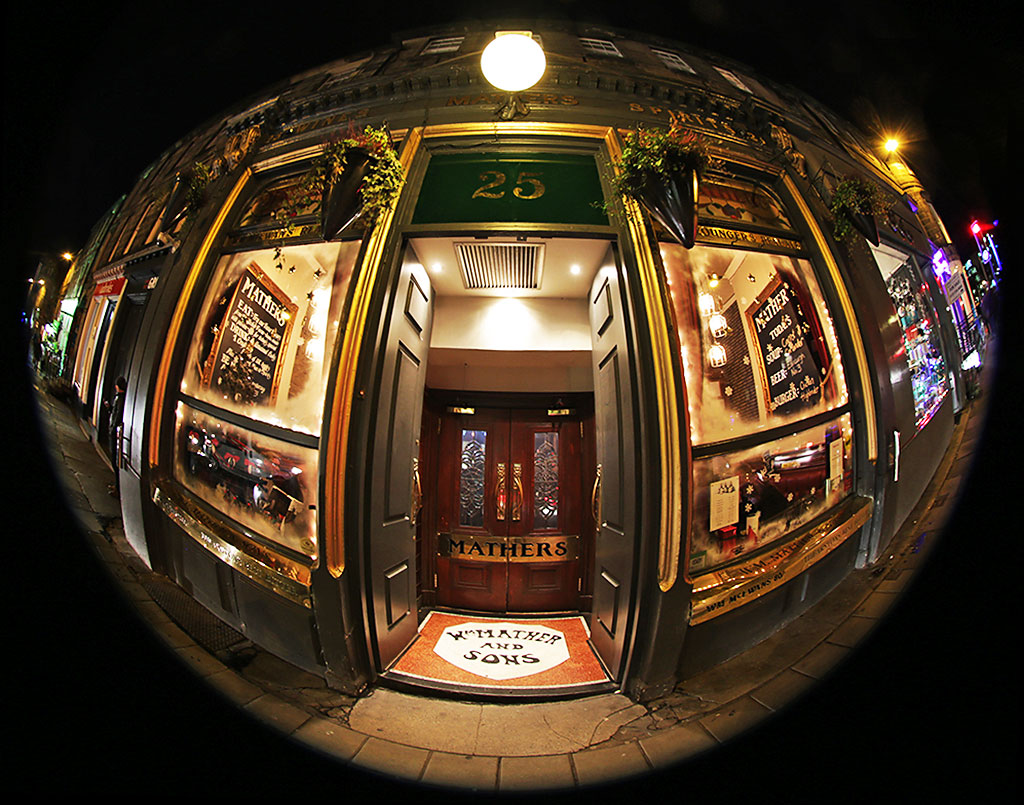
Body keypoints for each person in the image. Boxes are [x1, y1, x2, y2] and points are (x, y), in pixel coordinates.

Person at [106, 376, 127, 497]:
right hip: (115, 431)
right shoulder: (121, 399)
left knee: (115, 461)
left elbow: (117, 416)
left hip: (115, 433)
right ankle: (116, 486)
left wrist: (112, 429)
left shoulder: (120, 399)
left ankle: (118, 489)